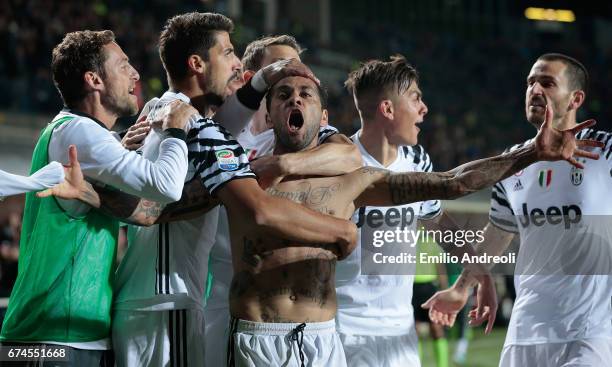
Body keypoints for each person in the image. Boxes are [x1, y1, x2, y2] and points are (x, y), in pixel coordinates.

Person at [43, 14, 356, 367]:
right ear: (197, 63)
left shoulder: (171, 112)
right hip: (166, 301)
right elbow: (161, 202)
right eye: (227, 53)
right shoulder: (175, 119)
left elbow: (219, 126)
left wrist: (266, 79)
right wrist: (339, 230)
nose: (237, 65)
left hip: (163, 301)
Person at [223, 71, 597, 366]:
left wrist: (531, 153)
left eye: (306, 94)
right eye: (416, 98)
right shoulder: (259, 168)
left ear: (322, 115)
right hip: (320, 330)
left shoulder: (373, 174)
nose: (424, 110)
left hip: (360, 335)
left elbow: (452, 187)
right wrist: (338, 229)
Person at [0, 30, 192, 365]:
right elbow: (167, 186)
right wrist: (176, 131)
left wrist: (118, 145)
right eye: (123, 65)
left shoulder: (73, 132)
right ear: (94, 79)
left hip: (69, 336)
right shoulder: (79, 133)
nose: (135, 74)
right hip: (52, 339)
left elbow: (141, 209)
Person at [423, 53, 611, 367]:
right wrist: (461, 288)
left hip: (591, 332)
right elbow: (498, 234)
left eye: (547, 83)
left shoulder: (604, 151)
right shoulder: (512, 162)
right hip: (525, 333)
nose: (535, 90)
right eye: (530, 82)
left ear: (576, 98)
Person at [204, 34, 361, 367]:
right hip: (225, 306)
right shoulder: (224, 134)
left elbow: (350, 155)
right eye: (282, 67)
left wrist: (283, 164)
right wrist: (340, 232)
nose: (295, 73)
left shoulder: (306, 141)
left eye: (300, 67)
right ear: (255, 79)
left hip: (302, 320)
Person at [334, 55, 495, 367]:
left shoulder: (417, 160)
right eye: (416, 98)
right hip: (345, 330)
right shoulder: (339, 162)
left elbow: (436, 222)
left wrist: (481, 274)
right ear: (388, 109)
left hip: (401, 332)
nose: (425, 109)